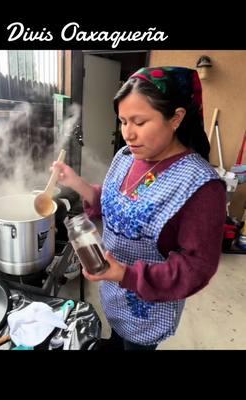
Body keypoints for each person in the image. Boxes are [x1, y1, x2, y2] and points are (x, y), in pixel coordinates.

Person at [52, 66, 226, 350]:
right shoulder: (126, 157)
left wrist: (125, 274)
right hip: (113, 291)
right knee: (116, 337)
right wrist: (78, 183)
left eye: (140, 122)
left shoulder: (201, 185)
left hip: (148, 309)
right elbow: (112, 202)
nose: (128, 134)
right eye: (122, 121)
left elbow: (196, 268)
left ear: (176, 118)